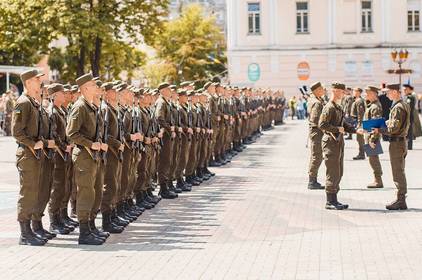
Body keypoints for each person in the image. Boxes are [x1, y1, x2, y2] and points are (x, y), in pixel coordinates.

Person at [66, 73, 108, 245]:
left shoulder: (92, 106)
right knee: (85, 192)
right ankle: (84, 233)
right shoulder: (80, 107)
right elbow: (71, 133)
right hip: (84, 156)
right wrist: (91, 144)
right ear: (84, 88)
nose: (96, 88)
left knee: (96, 191)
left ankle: (91, 226)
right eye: (93, 85)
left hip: (93, 156)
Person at [12, 69, 51, 246]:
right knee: (27, 193)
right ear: (28, 83)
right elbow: (17, 131)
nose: (39, 82)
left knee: (37, 191)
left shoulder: (34, 103)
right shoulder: (23, 103)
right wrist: (32, 143)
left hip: (36, 154)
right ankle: (25, 233)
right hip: (27, 155)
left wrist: (41, 142)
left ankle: (34, 228)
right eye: (36, 80)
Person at [319, 82, 363, 210]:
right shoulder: (329, 107)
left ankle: (335, 199)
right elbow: (322, 124)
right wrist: (337, 129)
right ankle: (330, 201)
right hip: (330, 142)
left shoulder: (337, 107)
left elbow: (343, 124)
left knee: (338, 171)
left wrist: (355, 130)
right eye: (342, 91)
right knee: (332, 171)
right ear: (335, 91)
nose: (344, 94)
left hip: (338, 142)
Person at [374, 84, 410, 210]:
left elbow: (394, 128)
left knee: (397, 171)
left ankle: (401, 199)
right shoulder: (402, 104)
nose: (387, 94)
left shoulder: (398, 107)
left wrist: (380, 129)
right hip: (400, 142)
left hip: (397, 143)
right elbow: (395, 123)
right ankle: (401, 199)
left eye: (388, 92)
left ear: (395, 92)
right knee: (399, 169)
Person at [363, 86, 384, 189]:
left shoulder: (375, 107)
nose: (365, 95)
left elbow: (376, 124)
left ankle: (378, 180)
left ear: (374, 94)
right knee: (372, 158)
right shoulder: (372, 105)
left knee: (373, 159)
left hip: (372, 137)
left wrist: (372, 139)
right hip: (369, 135)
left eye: (367, 93)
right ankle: (377, 179)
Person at [307, 82, 325, 190]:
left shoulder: (316, 100)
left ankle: (313, 179)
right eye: (321, 88)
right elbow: (316, 120)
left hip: (316, 131)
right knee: (317, 156)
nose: (323, 90)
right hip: (317, 132)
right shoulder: (317, 103)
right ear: (317, 90)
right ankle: (312, 181)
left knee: (316, 155)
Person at [350, 87, 366, 160]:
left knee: (360, 139)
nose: (353, 92)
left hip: (359, 122)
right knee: (360, 139)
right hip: (358, 121)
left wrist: (359, 124)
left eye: (355, 91)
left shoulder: (359, 101)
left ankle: (361, 154)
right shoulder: (357, 100)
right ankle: (362, 153)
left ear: (358, 92)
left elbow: (360, 114)